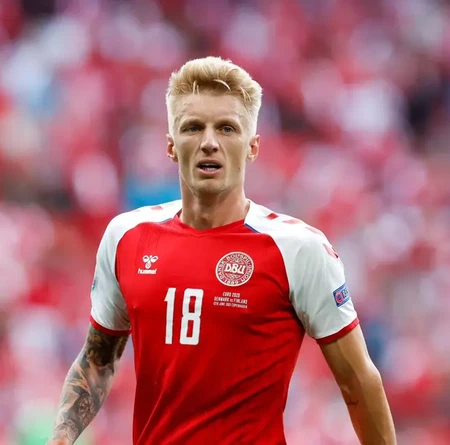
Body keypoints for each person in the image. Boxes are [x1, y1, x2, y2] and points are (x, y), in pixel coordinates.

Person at [48, 56, 396, 445]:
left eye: (227, 128)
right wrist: (60, 439)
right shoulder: (127, 236)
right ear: (171, 146)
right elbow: (97, 360)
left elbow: (358, 381)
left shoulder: (298, 248)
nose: (209, 142)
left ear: (252, 147)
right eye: (193, 127)